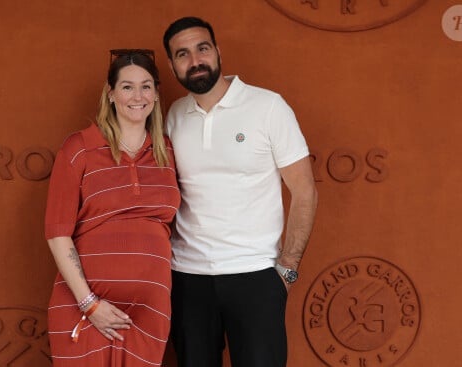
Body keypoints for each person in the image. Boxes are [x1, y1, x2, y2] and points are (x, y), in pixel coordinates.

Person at [162, 17, 318, 367]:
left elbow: (304, 191)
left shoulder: (268, 107)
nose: (195, 60)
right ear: (172, 65)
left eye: (202, 48)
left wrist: (287, 269)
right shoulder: (174, 115)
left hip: (256, 277)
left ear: (218, 52)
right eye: (182, 54)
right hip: (188, 279)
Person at [44, 49, 181, 367]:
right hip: (85, 305)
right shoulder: (79, 148)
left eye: (146, 86)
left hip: (149, 311)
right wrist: (89, 304)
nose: (138, 96)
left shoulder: (167, 152)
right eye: (127, 86)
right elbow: (57, 234)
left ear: (157, 95)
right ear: (111, 93)